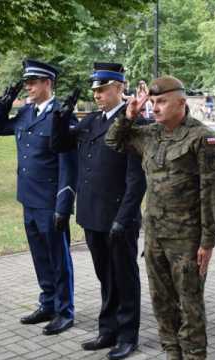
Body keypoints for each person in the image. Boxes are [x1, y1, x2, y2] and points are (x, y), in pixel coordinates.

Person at [105, 76, 215, 360]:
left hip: (187, 241)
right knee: (162, 305)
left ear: (181, 103)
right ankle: (172, 354)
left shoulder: (203, 139)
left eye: (162, 102)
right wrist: (131, 114)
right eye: (154, 102)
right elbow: (113, 141)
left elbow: (214, 194)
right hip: (155, 237)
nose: (156, 108)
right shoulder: (150, 134)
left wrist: (207, 242)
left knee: (190, 307)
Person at [51, 62, 146, 360]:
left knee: (124, 277)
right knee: (105, 276)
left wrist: (125, 217)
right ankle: (108, 330)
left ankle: (128, 335)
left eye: (103, 88)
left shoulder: (134, 124)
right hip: (92, 213)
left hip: (119, 216)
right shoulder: (91, 121)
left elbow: (136, 178)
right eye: (95, 90)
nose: (97, 94)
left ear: (120, 88)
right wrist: (60, 115)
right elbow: (59, 144)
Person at [0, 59, 78, 336]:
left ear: (47, 83)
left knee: (58, 258)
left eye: (32, 82)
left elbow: (68, 165)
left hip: (51, 201)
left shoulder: (61, 116)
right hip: (28, 198)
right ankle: (48, 303)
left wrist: (63, 206)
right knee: (41, 256)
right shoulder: (27, 113)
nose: (27, 86)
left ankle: (65, 311)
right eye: (26, 82)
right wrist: (3, 104)